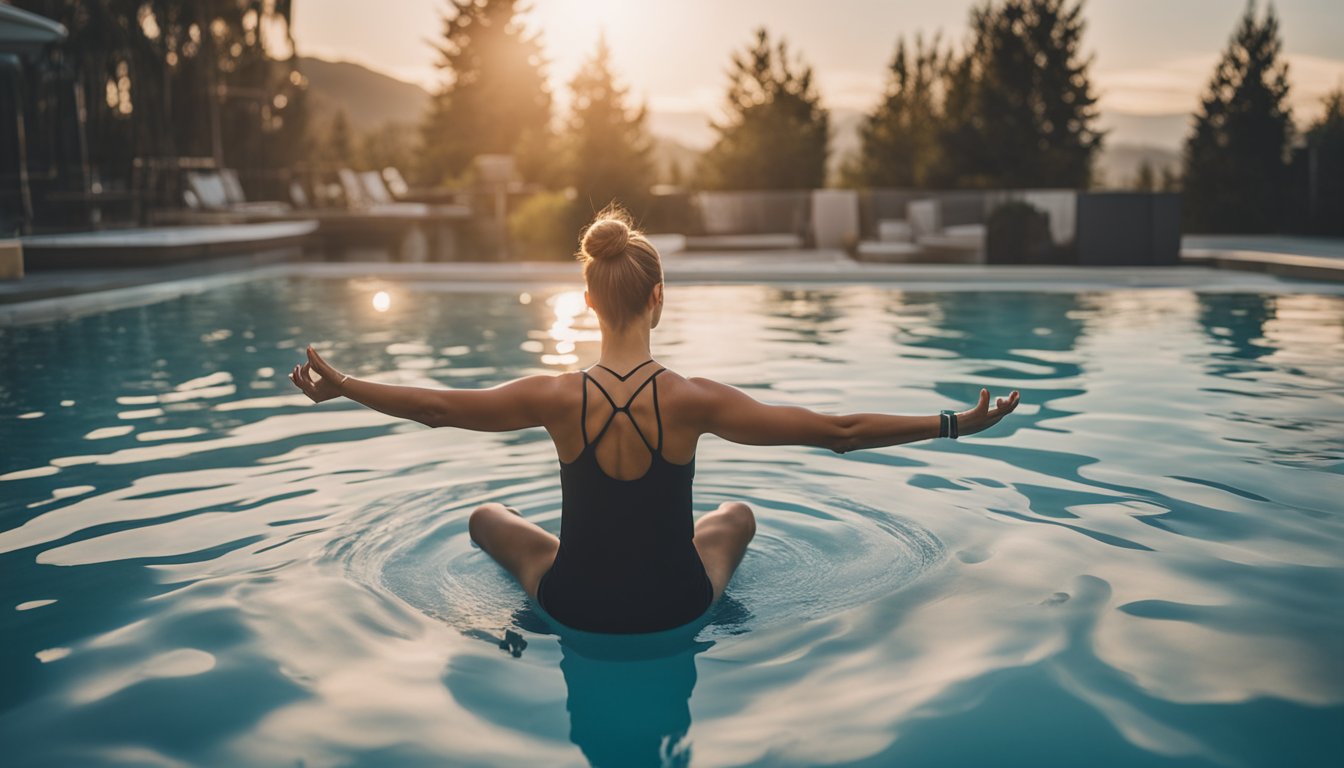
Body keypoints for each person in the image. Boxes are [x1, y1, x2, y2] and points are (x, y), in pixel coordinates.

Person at [290, 209, 1020, 635]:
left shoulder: (554, 396)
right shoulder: (693, 399)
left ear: (588, 301)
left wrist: (345, 384)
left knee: (487, 516)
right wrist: (953, 423)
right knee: (735, 514)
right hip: (677, 603)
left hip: (577, 603)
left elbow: (436, 409)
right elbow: (839, 431)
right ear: (658, 299)